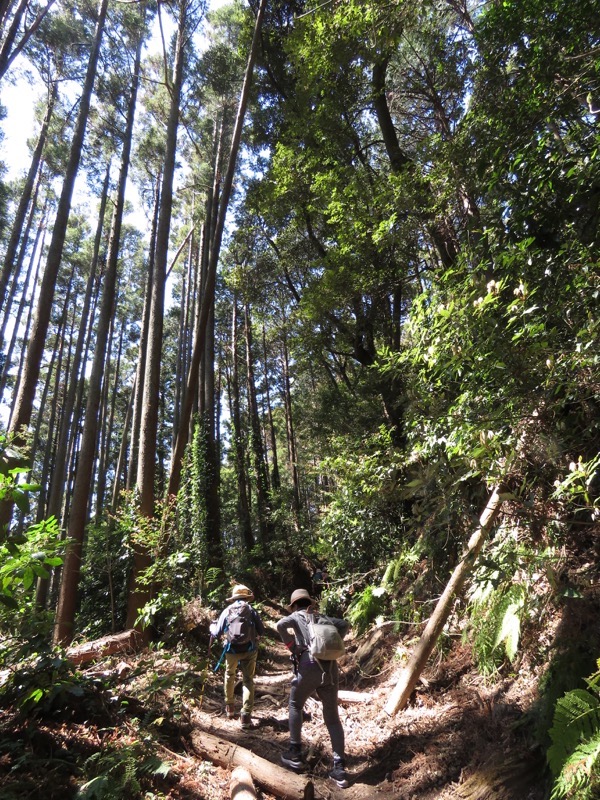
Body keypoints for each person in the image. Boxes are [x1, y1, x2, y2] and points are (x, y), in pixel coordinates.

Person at [276, 588, 350, 788]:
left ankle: (295, 752)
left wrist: (292, 646)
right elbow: (344, 624)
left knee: (295, 704)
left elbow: (280, 624)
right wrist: (331, 645)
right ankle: (339, 768)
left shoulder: (295, 616)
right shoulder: (322, 616)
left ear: (294, 605)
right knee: (332, 718)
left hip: (308, 665)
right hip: (330, 668)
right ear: (309, 602)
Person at [210, 584, 265, 729]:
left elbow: (217, 632)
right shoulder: (251, 610)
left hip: (231, 650)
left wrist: (211, 627)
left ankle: (230, 708)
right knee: (247, 680)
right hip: (250, 649)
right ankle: (246, 716)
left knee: (229, 675)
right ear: (247, 597)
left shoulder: (227, 610)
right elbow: (261, 630)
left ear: (234, 597)